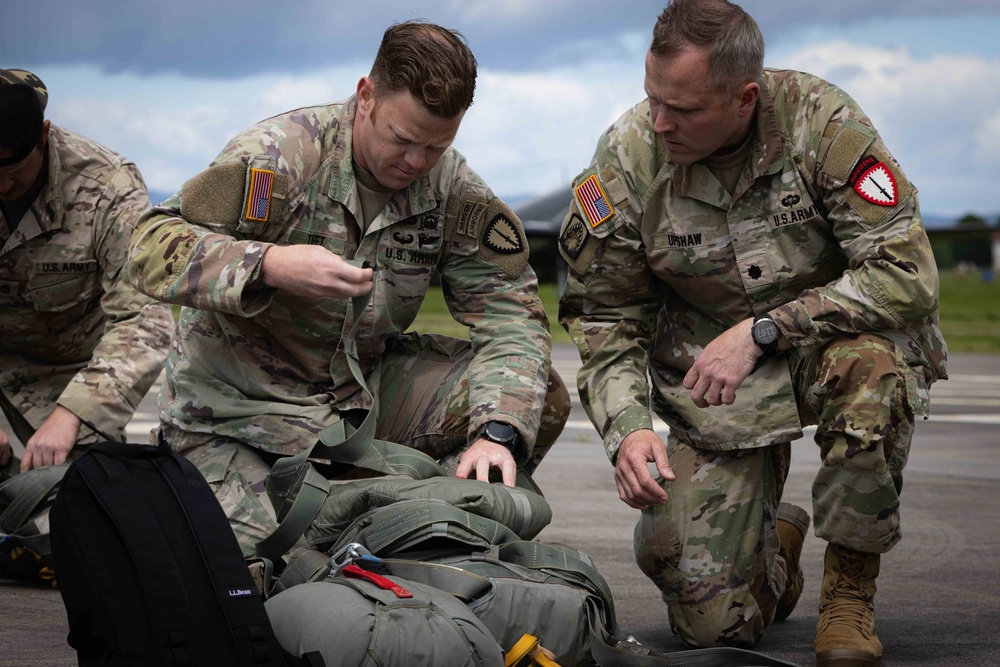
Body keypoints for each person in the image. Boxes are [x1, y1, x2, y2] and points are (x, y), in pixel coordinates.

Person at [557, 1, 948, 665]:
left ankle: (850, 593)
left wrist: (769, 329)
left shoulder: (820, 123)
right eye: (653, 97)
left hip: (829, 345)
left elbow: (906, 273)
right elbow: (607, 315)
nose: (660, 121)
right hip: (716, 384)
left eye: (682, 108)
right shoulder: (629, 157)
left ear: (744, 98)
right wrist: (628, 428)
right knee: (711, 625)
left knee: (870, 373)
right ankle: (777, 558)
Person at [125, 21, 570, 559]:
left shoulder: (452, 187)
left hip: (355, 399)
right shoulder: (280, 156)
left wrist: (496, 434)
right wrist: (269, 264)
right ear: (366, 96)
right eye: (402, 139)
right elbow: (149, 245)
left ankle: (426, 526)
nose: (415, 163)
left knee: (530, 396)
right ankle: (379, 519)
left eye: (436, 146)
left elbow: (512, 314)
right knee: (272, 562)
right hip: (237, 413)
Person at [0, 69, 173, 473]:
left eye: (13, 174)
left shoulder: (107, 187)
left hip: (82, 376)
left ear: (43, 135)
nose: (2, 188)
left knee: (78, 501)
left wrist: (74, 413)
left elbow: (146, 320)